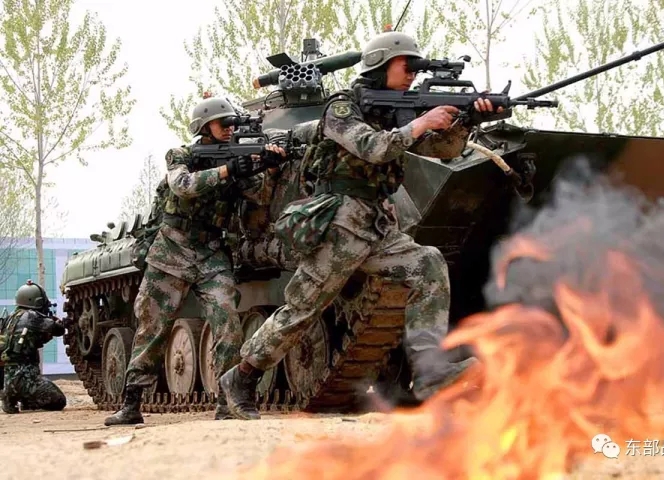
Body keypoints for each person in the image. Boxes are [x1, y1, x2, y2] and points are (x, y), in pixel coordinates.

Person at [220, 31, 504, 420]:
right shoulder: (342, 108)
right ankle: (241, 377)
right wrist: (422, 122)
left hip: (378, 223)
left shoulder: (397, 115)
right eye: (407, 66)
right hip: (340, 223)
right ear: (380, 65)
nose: (412, 74)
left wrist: (467, 121)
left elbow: (440, 150)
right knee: (303, 309)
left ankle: (430, 373)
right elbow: (373, 148)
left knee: (427, 263)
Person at [104, 96, 286, 426]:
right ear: (204, 127)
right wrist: (229, 169)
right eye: (223, 124)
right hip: (171, 249)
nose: (229, 129)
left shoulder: (238, 159)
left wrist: (269, 168)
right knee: (152, 328)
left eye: (232, 124)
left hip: (212, 252)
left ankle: (227, 402)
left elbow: (259, 200)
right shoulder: (181, 155)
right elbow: (183, 185)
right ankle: (131, 404)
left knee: (227, 323)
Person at [1, 280, 69, 414]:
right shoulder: (33, 316)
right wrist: (60, 322)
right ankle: (27, 398)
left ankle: (9, 397)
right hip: (26, 379)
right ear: (36, 302)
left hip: (7, 379)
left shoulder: (10, 318)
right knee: (59, 400)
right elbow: (58, 330)